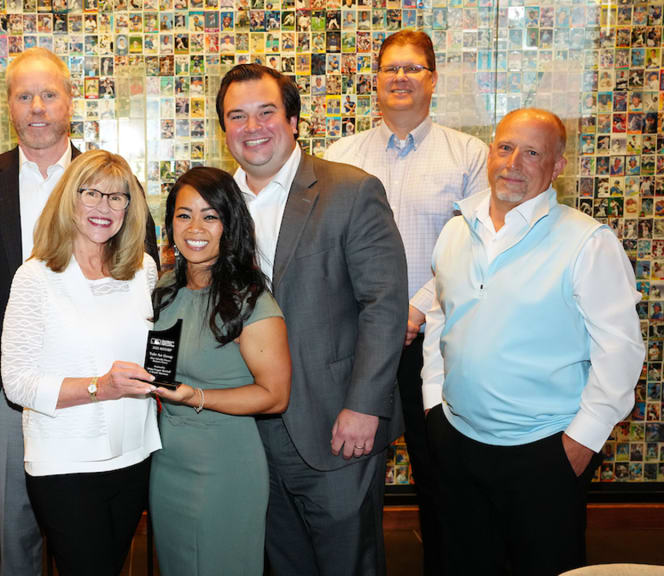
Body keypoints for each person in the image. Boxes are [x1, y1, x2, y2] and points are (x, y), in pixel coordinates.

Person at [0, 47, 157, 575]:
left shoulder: (109, 182)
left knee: (96, 531)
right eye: (23, 95)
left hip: (108, 387)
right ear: (9, 107)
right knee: (17, 523)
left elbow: (141, 263)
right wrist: (18, 341)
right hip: (15, 384)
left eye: (48, 94)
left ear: (69, 101)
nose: (36, 106)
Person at [422, 108, 644, 575]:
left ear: (557, 166)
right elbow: (441, 316)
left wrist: (583, 441)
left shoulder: (588, 242)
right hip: (458, 442)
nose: (513, 163)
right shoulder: (456, 229)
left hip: (545, 450)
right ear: (490, 152)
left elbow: (620, 351)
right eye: (505, 148)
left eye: (532, 153)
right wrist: (431, 403)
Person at [216, 63, 407, 575]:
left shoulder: (350, 191)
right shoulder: (216, 205)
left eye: (265, 112)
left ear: (294, 120)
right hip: (247, 433)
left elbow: (384, 306)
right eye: (237, 116)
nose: (252, 127)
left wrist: (366, 406)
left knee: (348, 564)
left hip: (334, 425)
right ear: (224, 130)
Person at [323, 29, 488, 575]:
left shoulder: (468, 156)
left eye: (413, 68)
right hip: (357, 341)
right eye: (390, 68)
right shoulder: (339, 157)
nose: (400, 77)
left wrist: (414, 310)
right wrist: (378, 319)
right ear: (376, 80)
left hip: (433, 342)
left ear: (433, 79)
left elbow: (473, 248)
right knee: (353, 468)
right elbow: (328, 249)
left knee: (440, 472)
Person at [0, 149, 161, 575]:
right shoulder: (35, 276)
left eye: (117, 197)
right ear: (70, 198)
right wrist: (99, 387)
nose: (104, 207)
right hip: (65, 462)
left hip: (134, 454)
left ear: (130, 207)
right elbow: (17, 382)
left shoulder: (141, 269)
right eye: (92, 193)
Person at [148, 166, 291, 575]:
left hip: (225, 465)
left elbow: (276, 395)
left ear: (230, 225)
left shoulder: (251, 300)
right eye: (184, 214)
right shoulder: (163, 291)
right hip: (167, 463)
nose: (195, 227)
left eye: (210, 216)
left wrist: (198, 397)